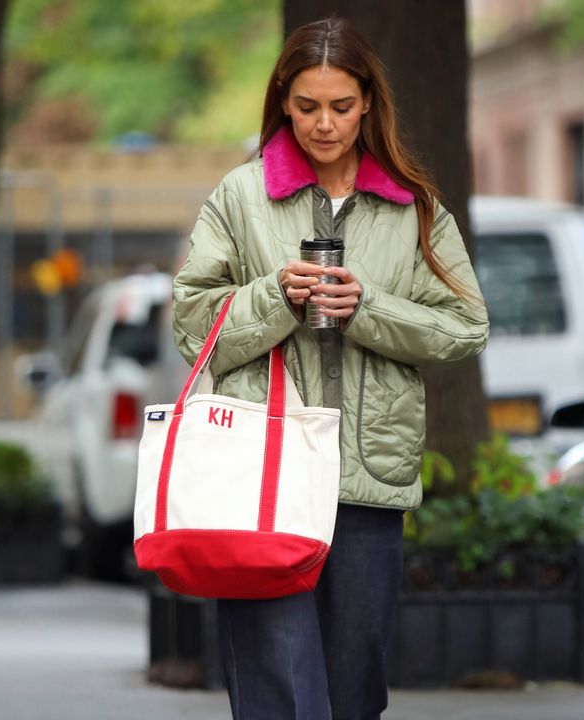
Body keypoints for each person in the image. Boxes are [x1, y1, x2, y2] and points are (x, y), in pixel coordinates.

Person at [172, 17, 488, 720]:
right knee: (278, 692)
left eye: (341, 107)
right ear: (284, 100)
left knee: (353, 693)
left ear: (369, 101)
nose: (324, 124)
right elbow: (193, 324)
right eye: (308, 106)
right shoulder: (241, 196)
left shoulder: (413, 206)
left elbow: (467, 327)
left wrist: (368, 306)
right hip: (262, 479)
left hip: (367, 482)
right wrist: (274, 298)